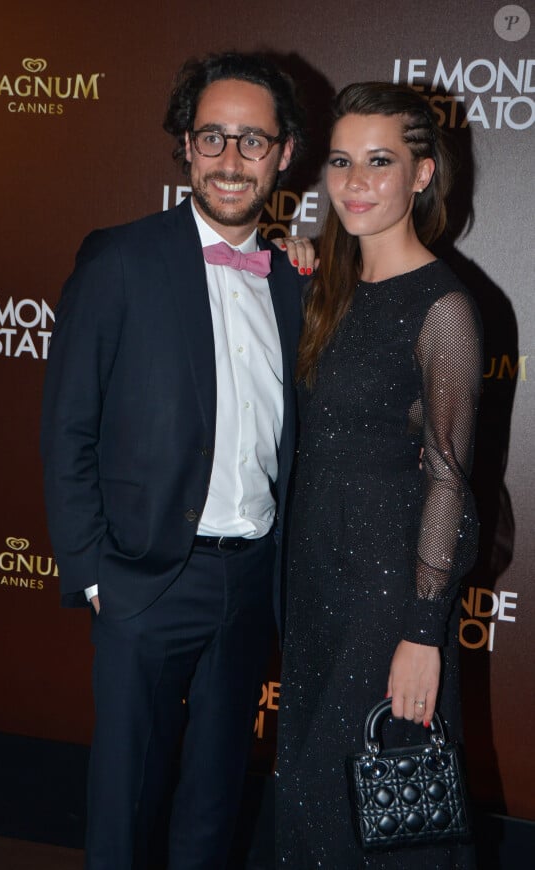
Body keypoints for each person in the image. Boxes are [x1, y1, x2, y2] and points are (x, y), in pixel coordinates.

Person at [40, 51, 313, 870]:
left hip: (250, 579)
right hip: (144, 579)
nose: (231, 160)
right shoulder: (120, 260)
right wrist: (96, 575)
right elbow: (68, 428)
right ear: (186, 148)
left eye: (252, 142)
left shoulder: (297, 281)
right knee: (124, 802)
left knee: (215, 797)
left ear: (285, 153)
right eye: (212, 138)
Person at [276, 81, 483, 869]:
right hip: (313, 578)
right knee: (308, 786)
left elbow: (449, 479)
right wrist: (298, 263)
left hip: (385, 593)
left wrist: (422, 633)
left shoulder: (445, 310)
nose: (356, 182)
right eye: (340, 161)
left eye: (380, 161)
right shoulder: (322, 286)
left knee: (368, 806)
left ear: (422, 174)